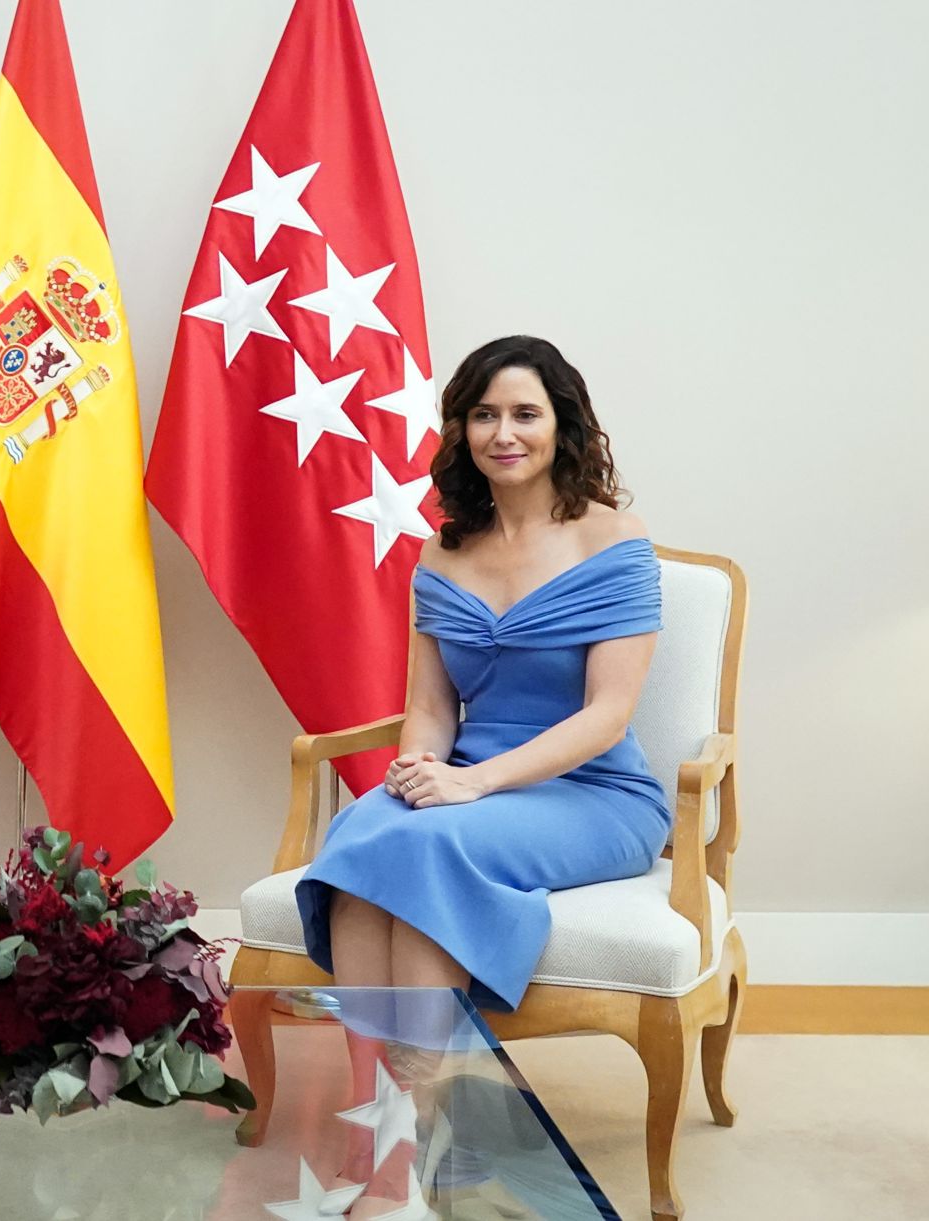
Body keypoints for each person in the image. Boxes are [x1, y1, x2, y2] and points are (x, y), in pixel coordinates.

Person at [294, 335, 668, 1215]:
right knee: (367, 834)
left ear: (563, 425)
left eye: (525, 413)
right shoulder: (443, 550)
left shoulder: (614, 539)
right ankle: (374, 1122)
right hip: (472, 783)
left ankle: (412, 1143)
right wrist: (422, 764)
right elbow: (429, 706)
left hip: (592, 792)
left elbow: (606, 715)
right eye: (484, 413)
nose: (504, 431)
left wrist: (473, 782)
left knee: (429, 851)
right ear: (461, 429)